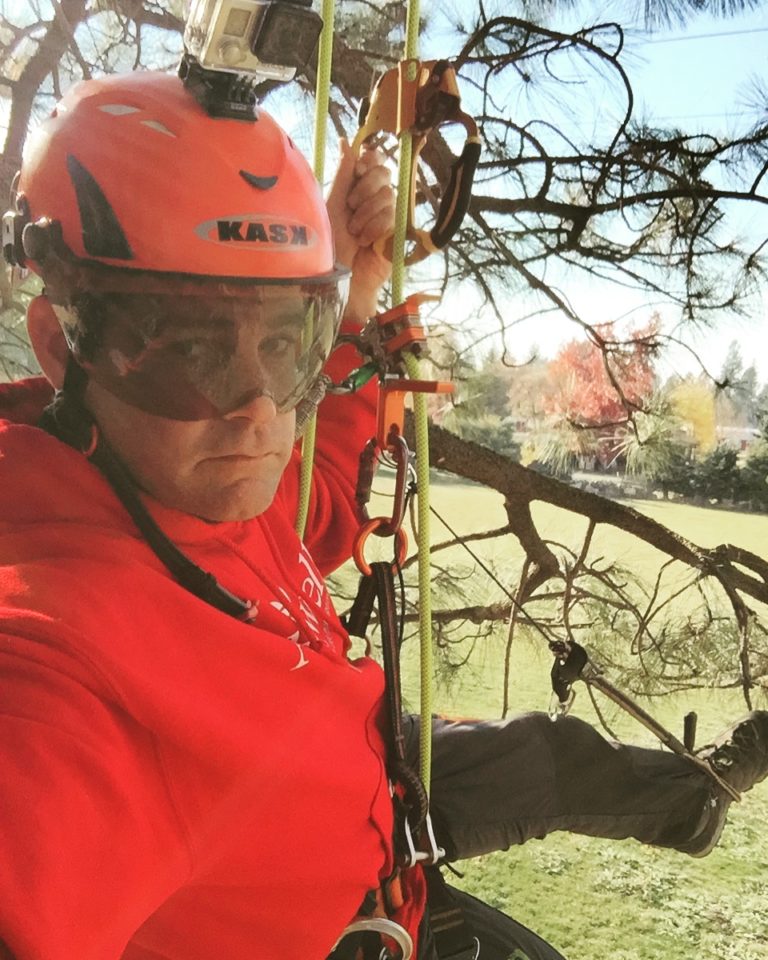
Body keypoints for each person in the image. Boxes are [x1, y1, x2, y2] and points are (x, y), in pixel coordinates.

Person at [0, 68, 766, 960]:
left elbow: (318, 495)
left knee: (544, 749)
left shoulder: (171, 470)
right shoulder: (53, 660)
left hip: (374, 788)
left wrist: (352, 293)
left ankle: (695, 796)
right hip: (350, 896)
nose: (257, 414)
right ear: (63, 344)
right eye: (189, 349)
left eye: (286, 342)